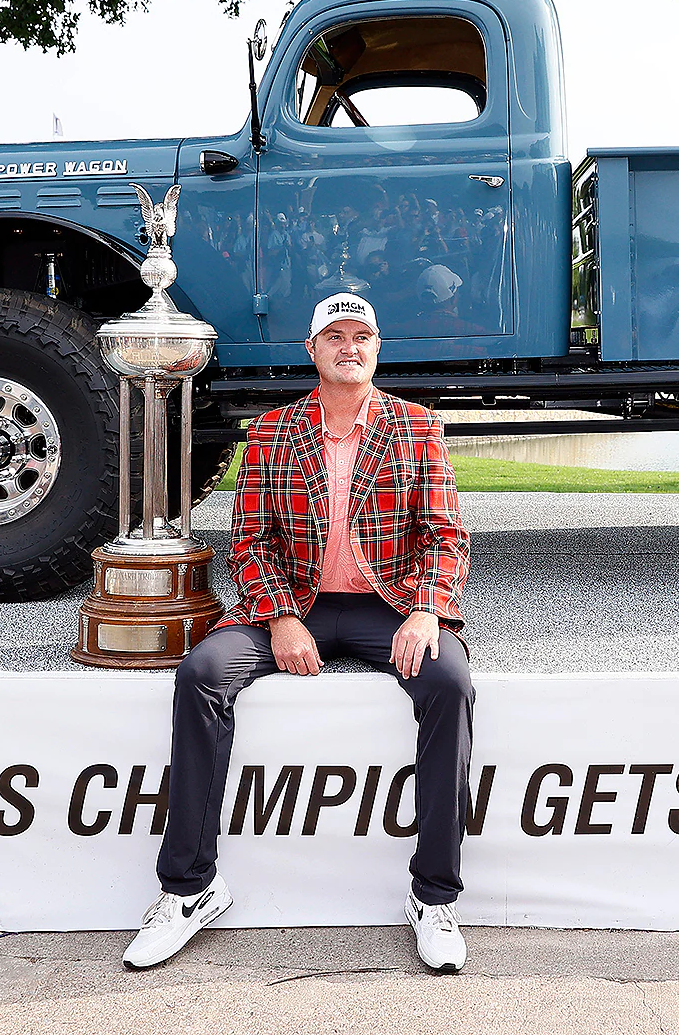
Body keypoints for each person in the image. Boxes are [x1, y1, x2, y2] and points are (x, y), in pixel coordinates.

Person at [124, 292, 474, 974]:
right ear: (311, 350)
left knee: (450, 681)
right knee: (200, 674)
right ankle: (191, 888)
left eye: (362, 336)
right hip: (295, 606)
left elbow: (445, 536)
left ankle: (434, 896)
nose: (350, 347)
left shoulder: (417, 427)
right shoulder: (273, 431)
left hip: (388, 605)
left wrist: (427, 609)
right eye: (334, 336)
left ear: (378, 348)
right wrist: (282, 617)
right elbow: (249, 542)